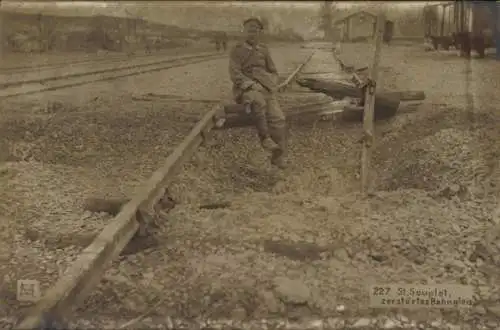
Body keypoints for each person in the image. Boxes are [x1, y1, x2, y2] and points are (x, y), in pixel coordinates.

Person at [228, 17, 287, 169]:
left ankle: (278, 156)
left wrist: (270, 82)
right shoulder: (237, 50)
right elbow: (235, 74)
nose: (252, 33)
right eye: (249, 29)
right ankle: (265, 138)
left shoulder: (264, 49)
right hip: (246, 89)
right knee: (258, 102)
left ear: (259, 32)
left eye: (255, 30)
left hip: (265, 89)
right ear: (244, 31)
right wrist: (252, 84)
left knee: (278, 118)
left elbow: (273, 71)